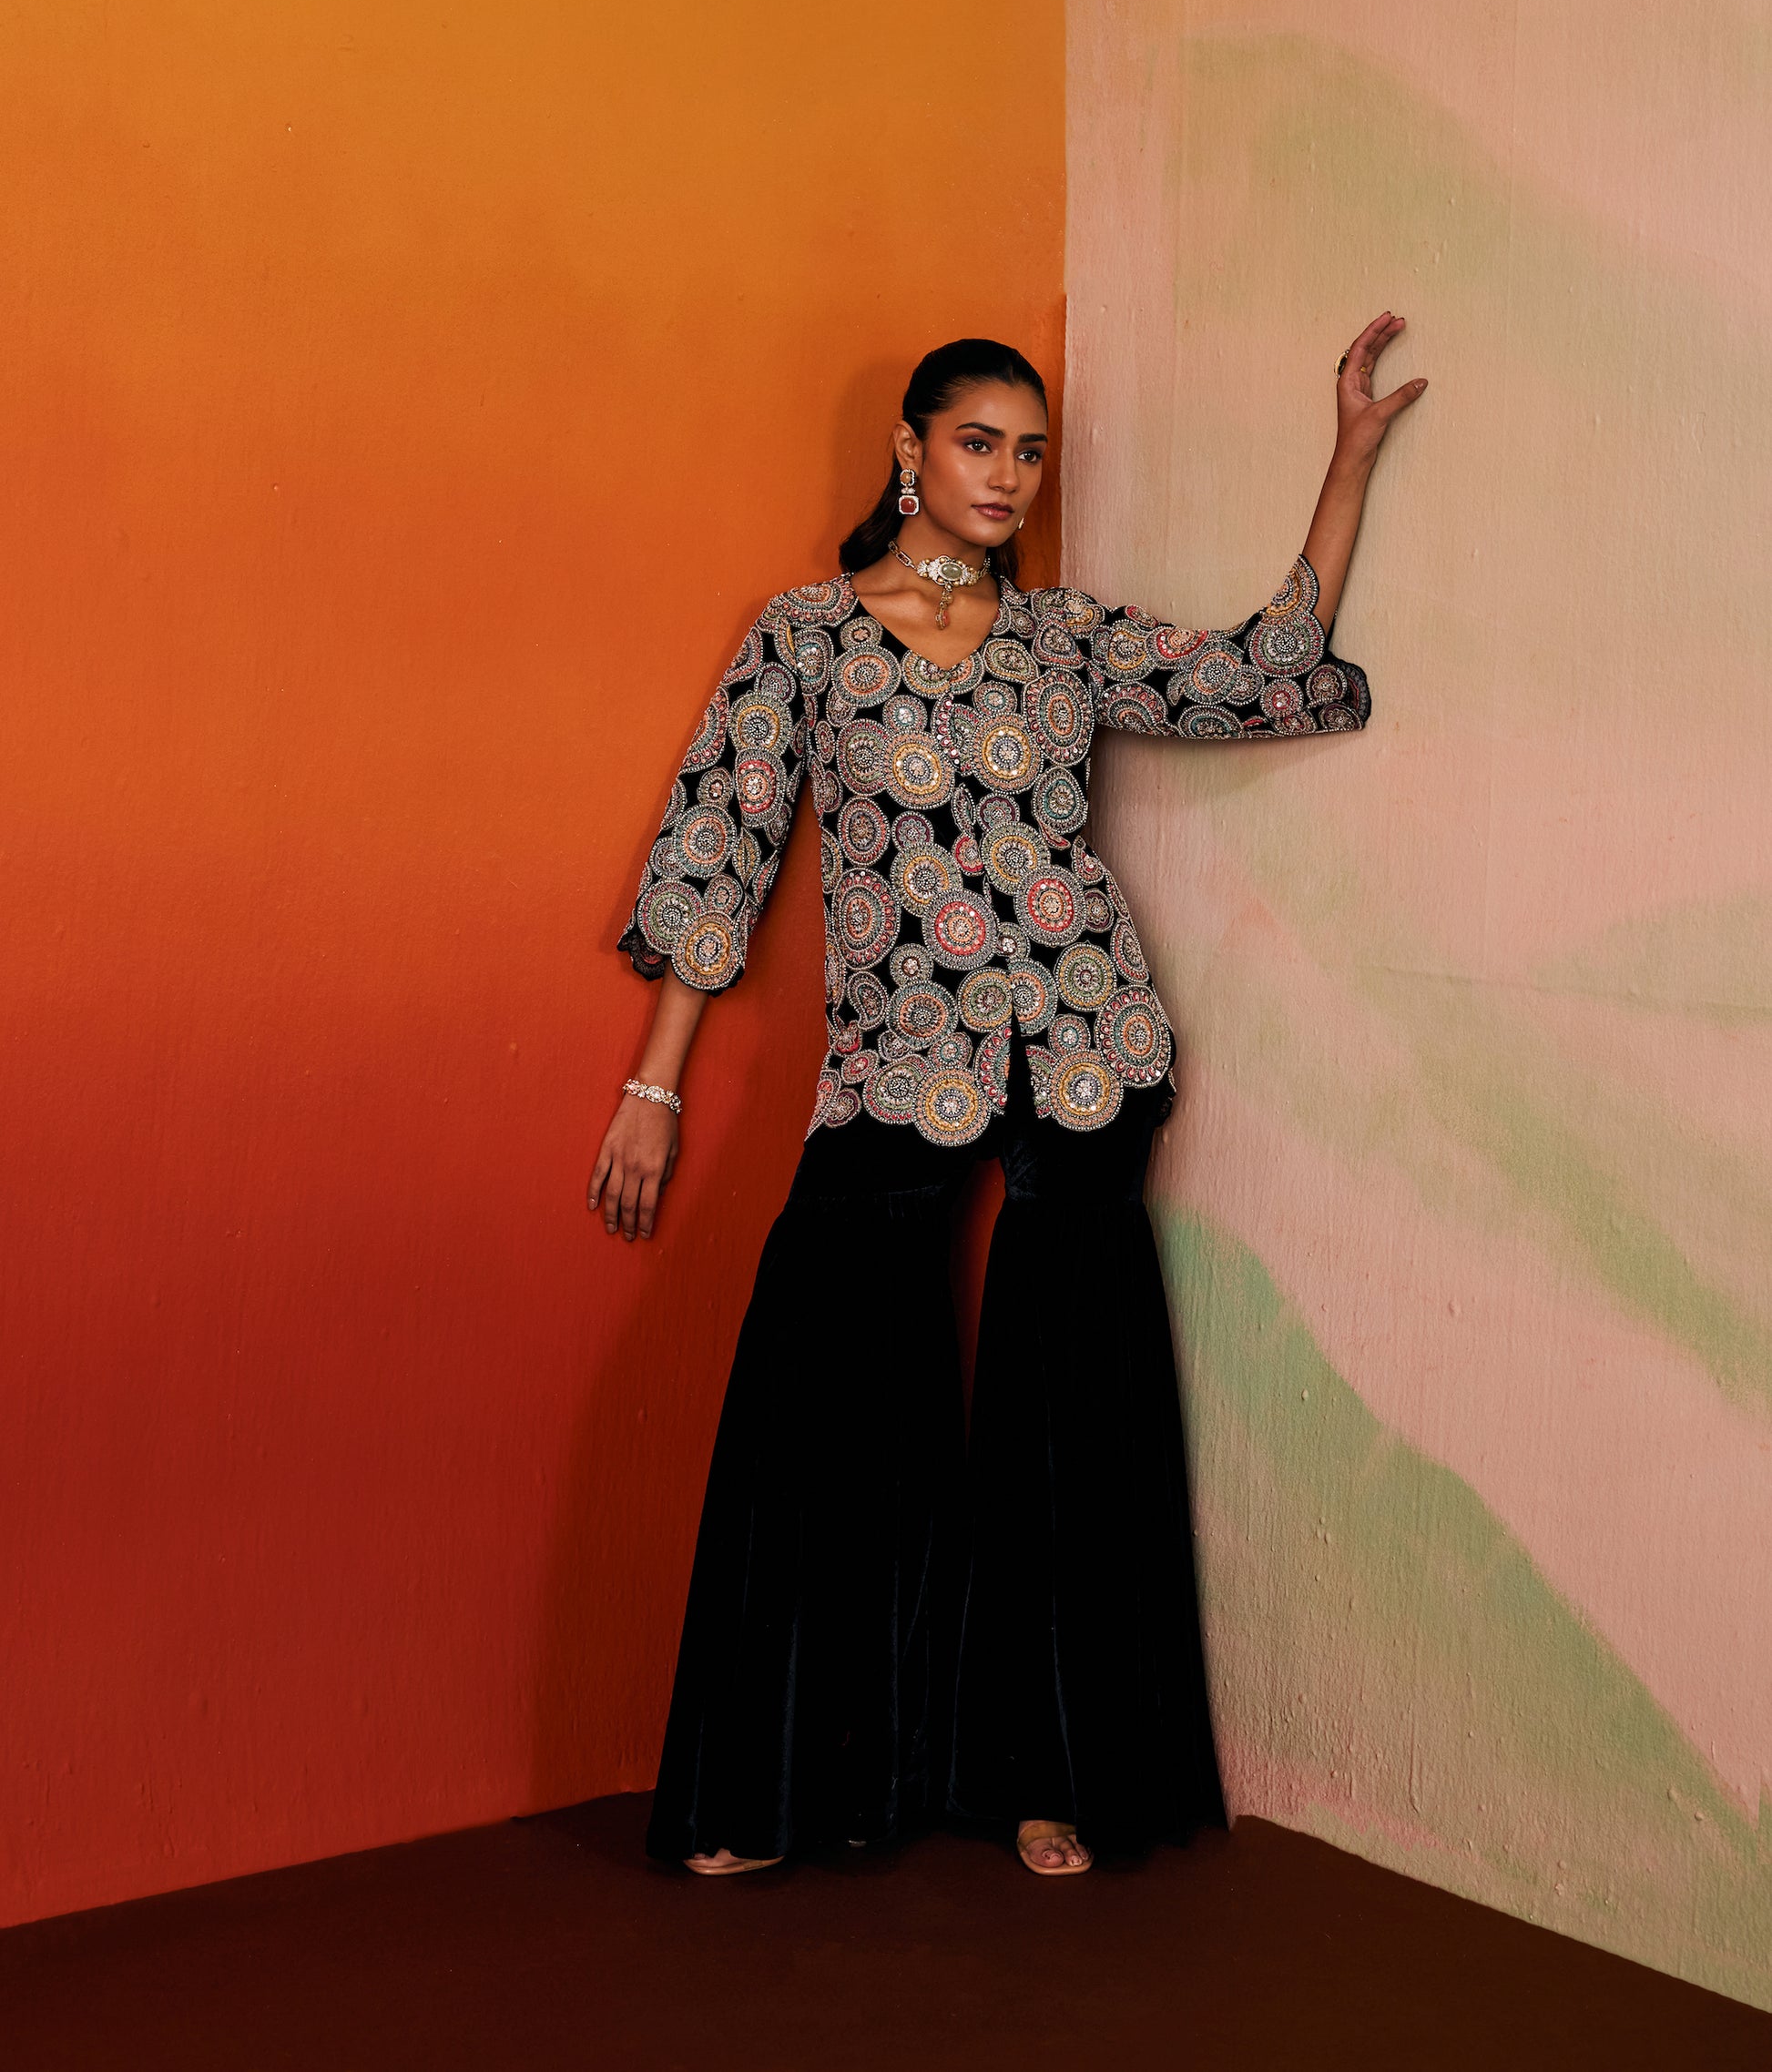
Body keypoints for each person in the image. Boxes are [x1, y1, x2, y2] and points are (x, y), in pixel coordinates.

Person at [591, 322, 1424, 1877]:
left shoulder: (1062, 636)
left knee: (1065, 1423)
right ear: (908, 451)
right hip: (900, 1058)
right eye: (979, 442)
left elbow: (1257, 675)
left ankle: (1050, 1779)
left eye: (1029, 451)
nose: (1008, 475)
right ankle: (795, 1785)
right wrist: (657, 1083)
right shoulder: (805, 638)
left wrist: (1346, 464)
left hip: (1083, 1042)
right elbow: (719, 851)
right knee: (830, 1396)